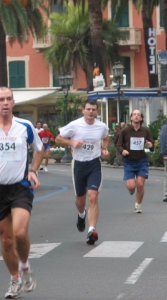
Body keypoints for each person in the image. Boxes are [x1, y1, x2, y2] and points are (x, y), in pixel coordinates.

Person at [0, 87, 44, 299]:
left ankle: (24, 266)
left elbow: (39, 149)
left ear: (13, 103)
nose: (5, 102)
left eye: (8, 99)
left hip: (20, 186)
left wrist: (32, 171)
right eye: (1, 99)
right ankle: (15, 278)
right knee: (6, 240)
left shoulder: (25, 126)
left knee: (20, 233)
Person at [55, 99, 109, 245]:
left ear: (97, 111)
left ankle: (91, 230)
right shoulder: (75, 125)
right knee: (80, 200)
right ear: (83, 110)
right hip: (79, 165)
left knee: (93, 197)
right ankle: (81, 214)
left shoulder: (101, 126)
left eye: (94, 109)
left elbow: (105, 138)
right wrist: (72, 143)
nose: (91, 112)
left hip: (94, 164)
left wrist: (104, 148)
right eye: (88, 109)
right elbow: (58, 139)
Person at [117, 110, 154, 213]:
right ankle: (131, 189)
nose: (136, 116)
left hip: (142, 160)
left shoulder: (145, 131)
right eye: (134, 114)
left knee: (140, 184)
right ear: (131, 118)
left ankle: (138, 205)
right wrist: (123, 150)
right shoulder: (125, 131)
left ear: (141, 118)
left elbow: (152, 143)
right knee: (131, 186)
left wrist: (150, 145)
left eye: (138, 115)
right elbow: (119, 144)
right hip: (129, 161)